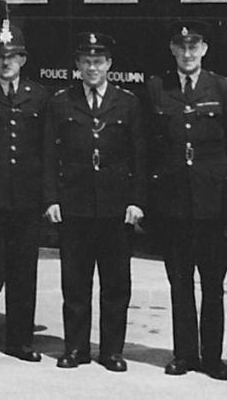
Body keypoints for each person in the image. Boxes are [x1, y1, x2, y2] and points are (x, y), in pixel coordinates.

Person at [44, 32, 146, 372]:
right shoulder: (61, 101)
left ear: (109, 65)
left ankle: (112, 351)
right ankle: (75, 349)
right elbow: (48, 154)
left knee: (116, 284)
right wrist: (52, 198)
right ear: (77, 65)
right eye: (86, 62)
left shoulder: (128, 102)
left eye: (98, 62)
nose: (92, 68)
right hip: (74, 205)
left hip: (117, 208)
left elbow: (139, 157)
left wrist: (137, 201)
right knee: (75, 283)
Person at [146, 21, 227, 380]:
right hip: (174, 203)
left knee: (212, 285)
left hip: (214, 205)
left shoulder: (221, 88)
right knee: (179, 283)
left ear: (204, 50)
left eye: (194, 47)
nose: (188, 53)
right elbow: (149, 146)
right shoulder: (157, 88)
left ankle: (212, 357)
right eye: (182, 47)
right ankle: (184, 355)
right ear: (173, 50)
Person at [0, 22, 47, 363]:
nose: (6, 63)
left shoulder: (38, 95)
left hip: (26, 199)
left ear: (24, 59)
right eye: (1, 57)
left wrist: (47, 197)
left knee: (23, 272)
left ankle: (20, 341)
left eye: (13, 56)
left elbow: (45, 150)